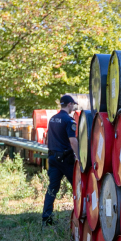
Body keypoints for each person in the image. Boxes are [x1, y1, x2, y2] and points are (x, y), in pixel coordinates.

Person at [41, 94, 79, 226]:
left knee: (52, 188)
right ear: (69, 104)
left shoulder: (52, 119)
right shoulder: (69, 121)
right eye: (73, 105)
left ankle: (46, 218)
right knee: (78, 186)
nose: (73, 107)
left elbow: (47, 140)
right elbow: (73, 141)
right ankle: (80, 215)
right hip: (66, 159)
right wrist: (79, 157)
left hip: (52, 158)